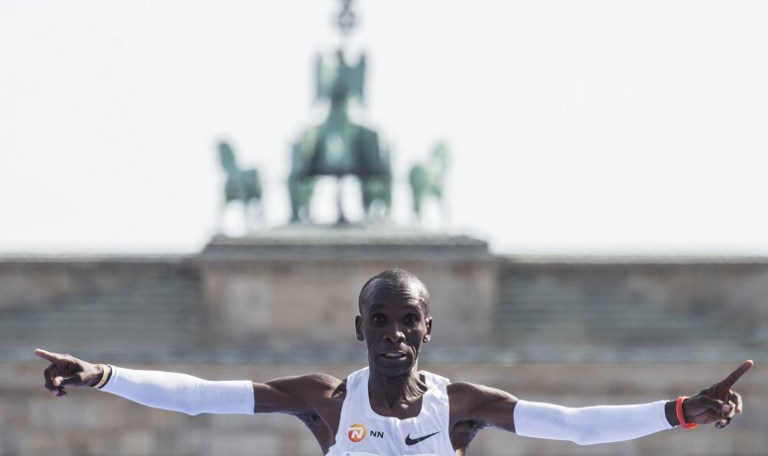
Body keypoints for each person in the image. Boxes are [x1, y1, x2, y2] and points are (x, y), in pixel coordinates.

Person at [36, 268, 752, 456]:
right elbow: (200, 397)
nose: (394, 333)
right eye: (380, 319)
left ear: (428, 330)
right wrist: (103, 375)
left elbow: (575, 426)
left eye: (409, 320)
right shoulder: (324, 400)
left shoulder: (461, 408)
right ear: (359, 328)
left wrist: (684, 411)